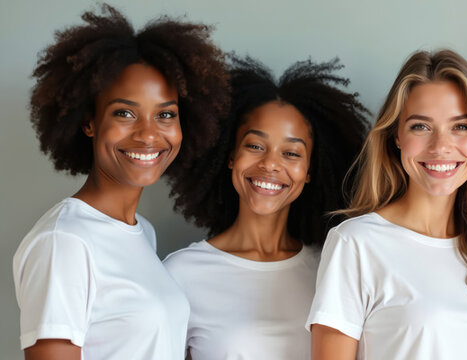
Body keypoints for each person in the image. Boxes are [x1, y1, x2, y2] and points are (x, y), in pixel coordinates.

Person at [12, 4, 228, 359]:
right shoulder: (64, 241)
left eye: (165, 114)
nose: (148, 134)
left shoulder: (141, 231)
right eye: (124, 113)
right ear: (89, 122)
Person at [306, 49, 467, 359]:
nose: (441, 147)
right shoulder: (356, 243)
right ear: (396, 136)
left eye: (461, 126)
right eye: (421, 126)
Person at [162, 55, 368, 359]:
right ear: (230, 155)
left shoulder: (332, 270)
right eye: (255, 146)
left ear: (310, 171)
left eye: (292, 153)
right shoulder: (181, 273)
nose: (270, 164)